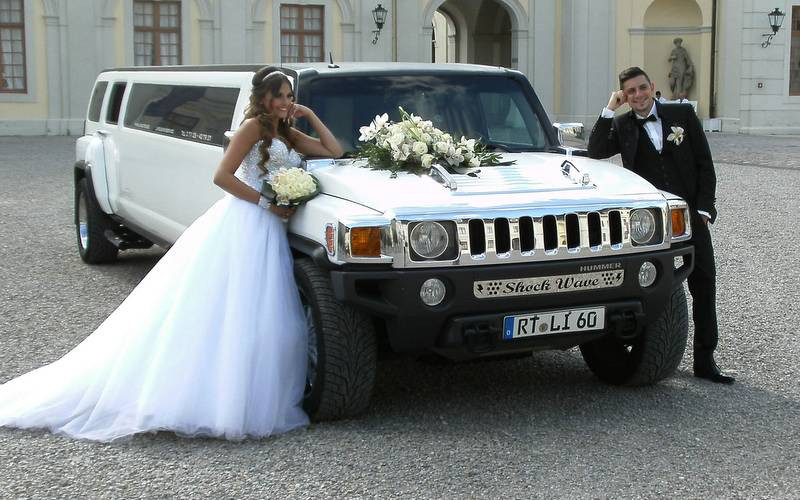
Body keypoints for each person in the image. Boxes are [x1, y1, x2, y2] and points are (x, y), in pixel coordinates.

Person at [0, 67, 344, 441]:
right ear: (262, 97)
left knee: (258, 311)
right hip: (246, 223)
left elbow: (334, 151)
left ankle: (240, 390)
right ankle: (208, 398)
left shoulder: (286, 132)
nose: (285, 103)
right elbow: (222, 177)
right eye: (278, 96)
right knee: (226, 310)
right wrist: (267, 202)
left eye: (289, 96)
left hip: (269, 231)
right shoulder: (251, 129)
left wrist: (309, 116)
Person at [587, 66, 734, 384]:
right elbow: (594, 151)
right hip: (650, 226)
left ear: (652, 87)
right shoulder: (623, 124)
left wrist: (706, 208)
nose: (638, 96)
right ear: (624, 96)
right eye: (630, 92)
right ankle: (647, 350)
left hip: (691, 218)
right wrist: (609, 109)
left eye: (642, 88)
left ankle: (705, 361)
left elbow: (704, 163)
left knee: (704, 285)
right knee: (653, 285)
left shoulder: (681, 114)